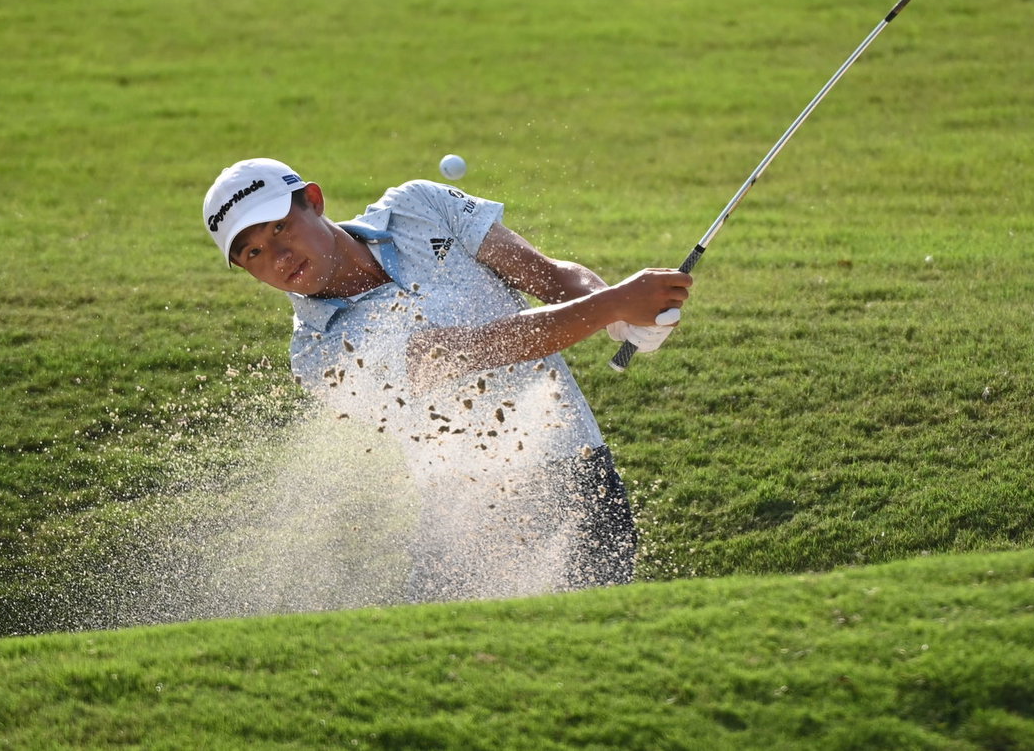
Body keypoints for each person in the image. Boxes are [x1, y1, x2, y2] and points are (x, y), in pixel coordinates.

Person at [202, 158, 691, 602]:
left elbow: (545, 274)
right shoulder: (317, 352)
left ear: (313, 200)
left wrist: (620, 315)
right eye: (254, 254)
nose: (279, 258)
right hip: (466, 523)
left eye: (281, 228)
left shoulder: (419, 206)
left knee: (595, 660)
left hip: (581, 482)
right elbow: (477, 350)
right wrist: (613, 305)